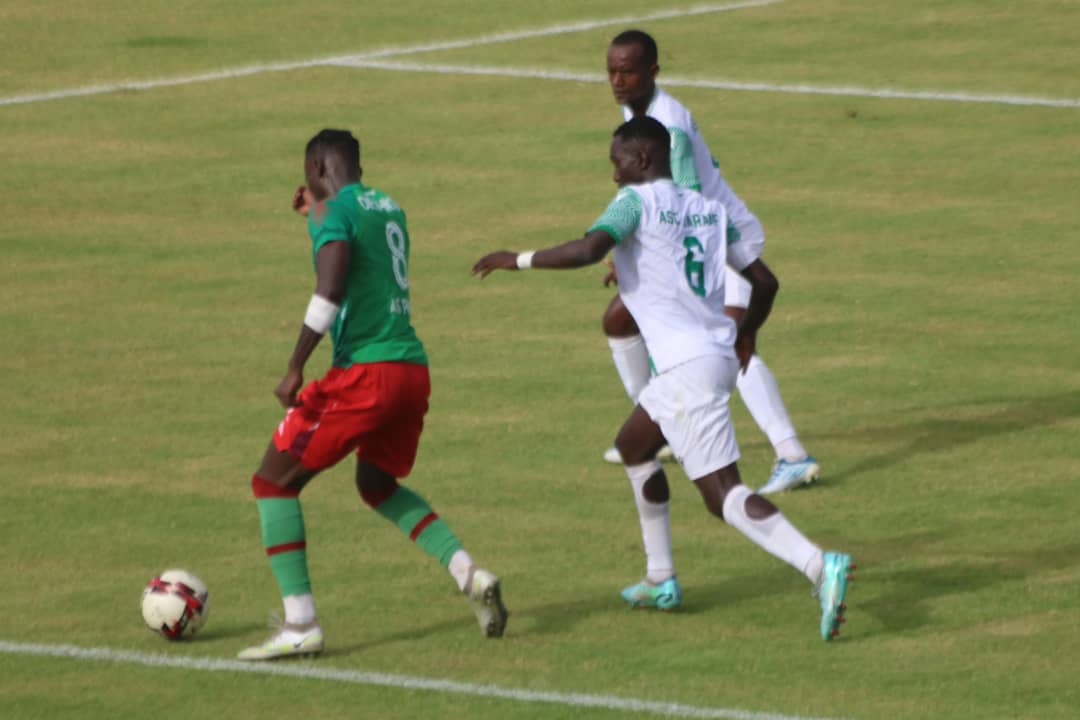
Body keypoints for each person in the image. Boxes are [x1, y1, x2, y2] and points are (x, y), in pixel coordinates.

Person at [472, 117, 853, 641]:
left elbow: (587, 250)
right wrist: (748, 336)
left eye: (618, 163)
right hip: (710, 357)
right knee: (634, 445)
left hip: (684, 368)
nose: (614, 176)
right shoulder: (708, 211)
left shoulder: (635, 202)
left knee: (723, 495)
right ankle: (660, 577)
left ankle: (817, 563)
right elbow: (764, 281)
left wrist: (516, 259)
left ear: (643, 160)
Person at [238, 129, 508, 661]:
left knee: (272, 482)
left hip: (367, 373)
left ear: (316, 167)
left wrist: (295, 365)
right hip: (411, 370)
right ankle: (468, 572)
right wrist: (317, 209)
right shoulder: (388, 207)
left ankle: (300, 623)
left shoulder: (333, 212)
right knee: (376, 484)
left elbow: (331, 286)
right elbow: (359, 254)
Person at [602, 29, 819, 498]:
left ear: (652, 72)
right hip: (701, 235)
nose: (617, 80)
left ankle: (792, 454)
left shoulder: (669, 122)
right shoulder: (638, 111)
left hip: (720, 239)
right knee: (620, 320)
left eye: (628, 71)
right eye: (612, 71)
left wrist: (638, 246)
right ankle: (661, 423)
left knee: (730, 341)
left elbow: (686, 203)